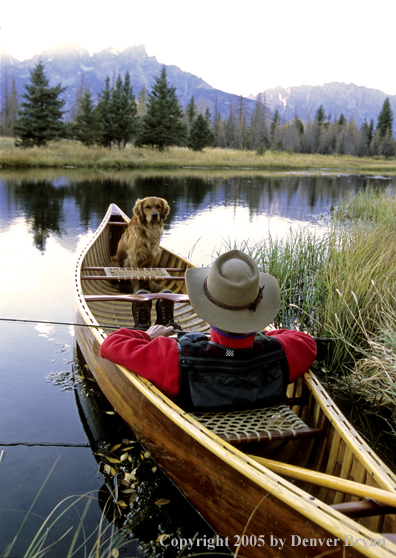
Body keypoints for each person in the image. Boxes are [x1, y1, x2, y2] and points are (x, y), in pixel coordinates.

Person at [100, 250, 317, 410]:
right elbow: (305, 341)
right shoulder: (283, 353)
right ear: (257, 311)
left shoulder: (172, 356)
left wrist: (148, 335)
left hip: (198, 423)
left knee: (171, 336)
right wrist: (256, 339)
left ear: (209, 311)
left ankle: (156, 324)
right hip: (258, 421)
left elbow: (111, 345)